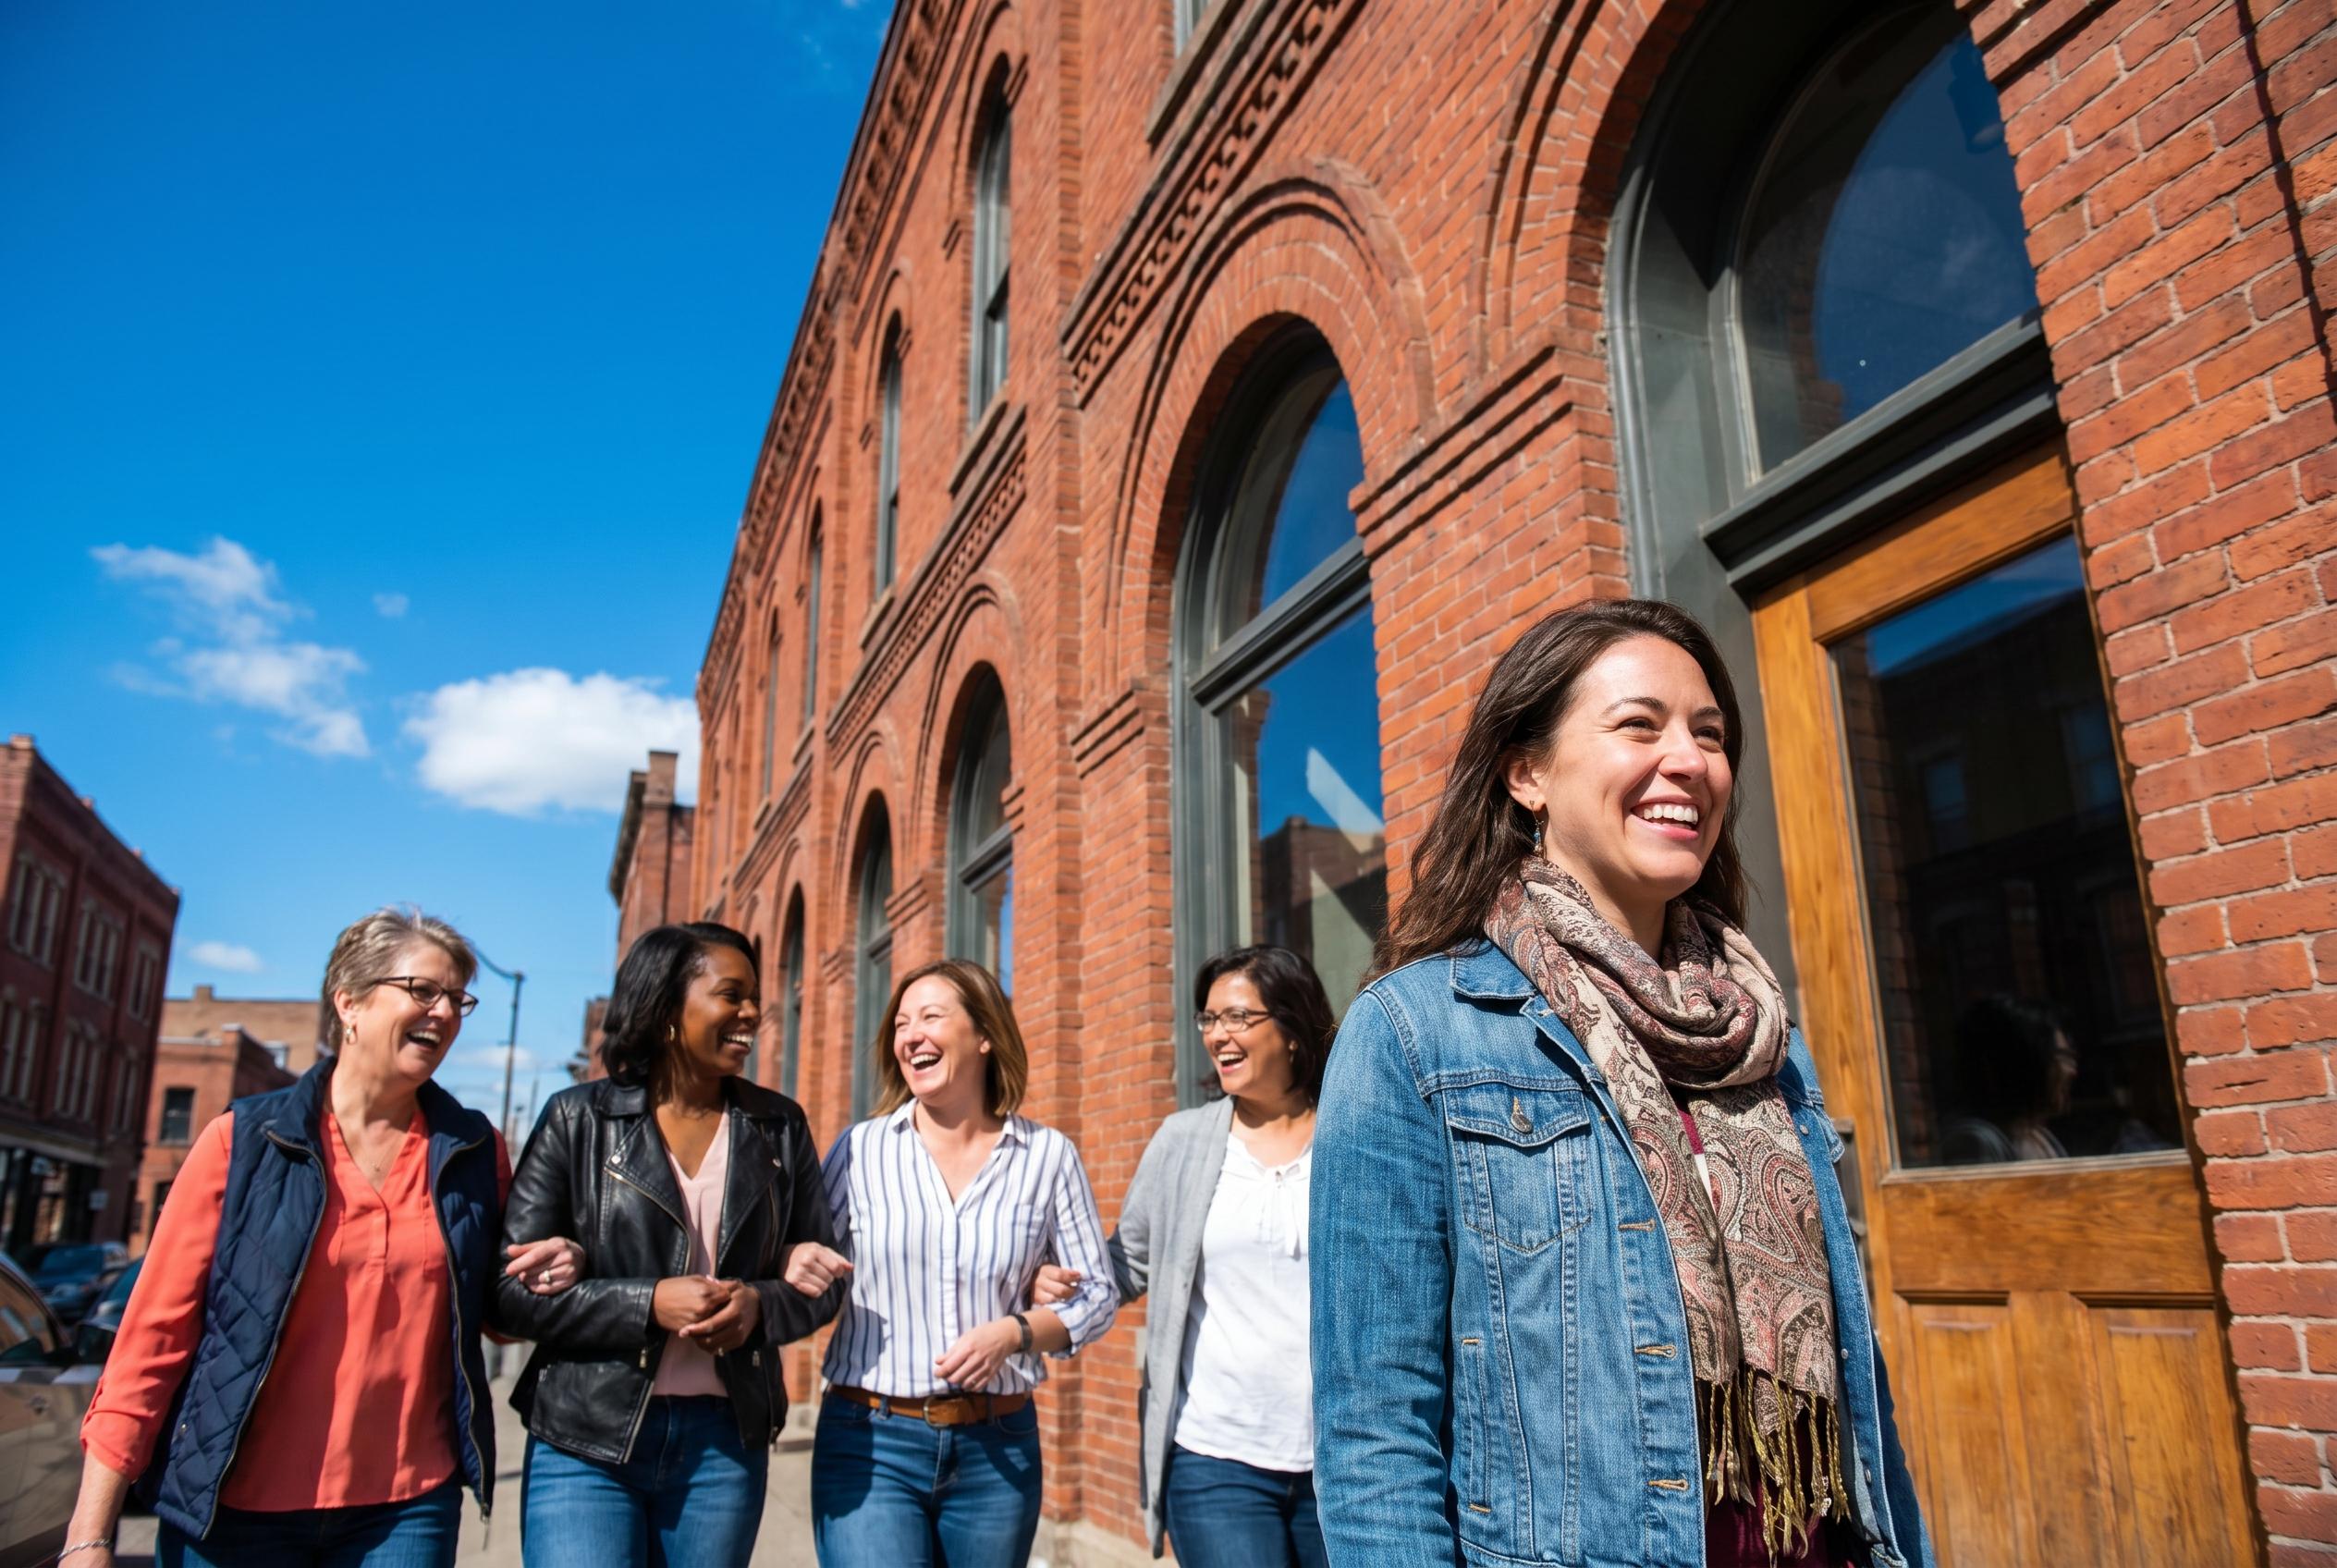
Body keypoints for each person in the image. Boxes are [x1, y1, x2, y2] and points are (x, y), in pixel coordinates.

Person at [1311, 600, 1932, 1568]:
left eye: (1709, 735)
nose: (1689, 760)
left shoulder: (1760, 1034)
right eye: (1639, 725)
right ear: (1526, 774)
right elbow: (1374, 1430)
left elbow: (1859, 1392)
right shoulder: (1414, 1034)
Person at [63, 907, 585, 1568]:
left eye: (457, 999)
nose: (446, 1012)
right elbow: (152, 1341)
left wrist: (554, 1265)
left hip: (406, 1510)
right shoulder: (242, 1144)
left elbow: (497, 1318)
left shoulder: (474, 1150)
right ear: (349, 1003)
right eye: (423, 990)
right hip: (234, 1512)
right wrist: (90, 1534)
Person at [493, 922, 846, 1568]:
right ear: (666, 1009)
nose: (752, 1013)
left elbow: (824, 1281)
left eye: (754, 997)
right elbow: (509, 1296)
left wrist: (760, 1307)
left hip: (723, 1443)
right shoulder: (578, 1119)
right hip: (586, 1438)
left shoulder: (778, 1125)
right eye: (731, 995)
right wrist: (648, 1303)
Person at [787, 958, 1117, 1568]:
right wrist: (793, 1257)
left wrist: (1015, 1332)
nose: (911, 1035)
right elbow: (801, 1259)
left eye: (931, 1017)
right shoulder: (860, 1150)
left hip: (999, 1448)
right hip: (870, 1441)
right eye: (901, 1024)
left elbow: (1097, 1294)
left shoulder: (1046, 1156)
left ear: (984, 1034)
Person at [1034, 945, 1332, 1566]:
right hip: (1216, 1458)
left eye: (1238, 1017)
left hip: (1344, 1458)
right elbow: (1126, 1266)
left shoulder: (1350, 1135)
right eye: (1209, 1019)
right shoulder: (1184, 1140)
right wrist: (1055, 1286)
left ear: (1292, 1028)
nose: (1218, 1035)